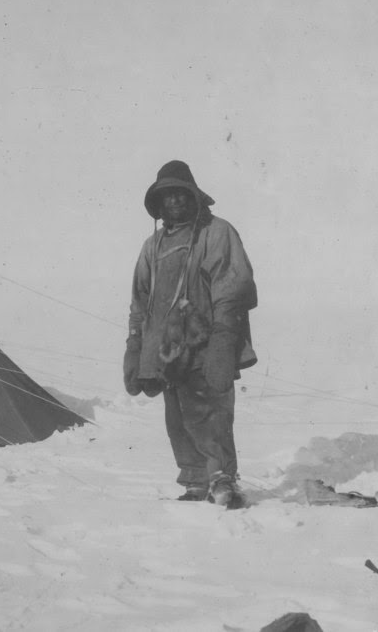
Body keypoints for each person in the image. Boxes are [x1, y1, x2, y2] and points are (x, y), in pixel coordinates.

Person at [125, 161, 257, 508]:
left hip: (206, 344)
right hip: (167, 351)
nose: (174, 201)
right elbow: (140, 300)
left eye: (180, 194)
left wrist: (223, 341)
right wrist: (135, 346)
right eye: (166, 196)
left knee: (211, 414)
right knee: (178, 418)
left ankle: (222, 480)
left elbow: (232, 286)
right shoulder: (152, 246)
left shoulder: (217, 232)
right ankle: (195, 480)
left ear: (194, 196)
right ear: (158, 203)